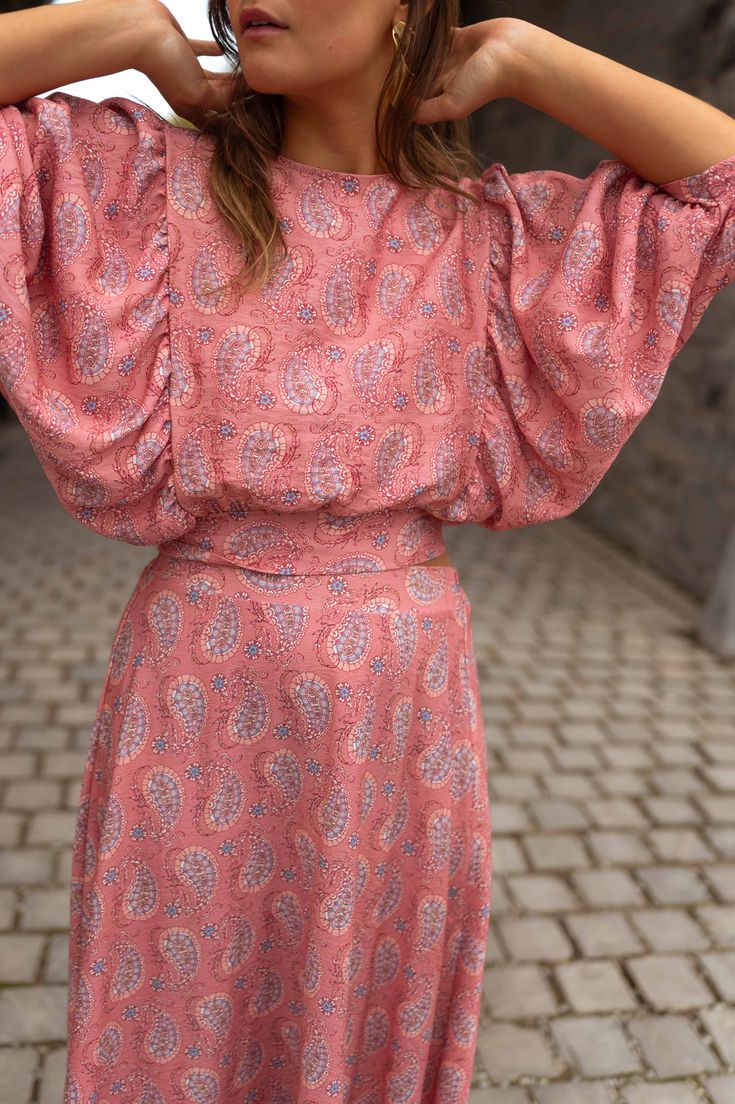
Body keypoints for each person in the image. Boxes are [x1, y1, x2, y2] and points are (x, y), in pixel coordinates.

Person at [1, 1, 734, 1100]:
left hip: (399, 711)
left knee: (355, 1024)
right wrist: (133, 36)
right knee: (177, 1027)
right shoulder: (145, 189)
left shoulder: (491, 242)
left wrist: (526, 57)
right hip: (198, 689)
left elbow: (719, 186)